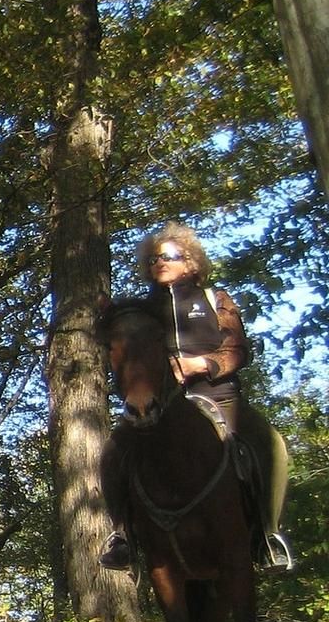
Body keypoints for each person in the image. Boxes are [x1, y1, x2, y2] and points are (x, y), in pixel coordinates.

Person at [100, 224, 292, 570]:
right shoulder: (140, 311)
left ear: (191, 262)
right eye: (155, 257)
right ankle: (121, 536)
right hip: (162, 403)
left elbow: (236, 350)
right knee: (113, 451)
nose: (160, 262)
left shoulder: (215, 299)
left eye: (169, 256)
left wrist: (201, 364)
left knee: (270, 442)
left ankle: (268, 534)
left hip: (218, 395)